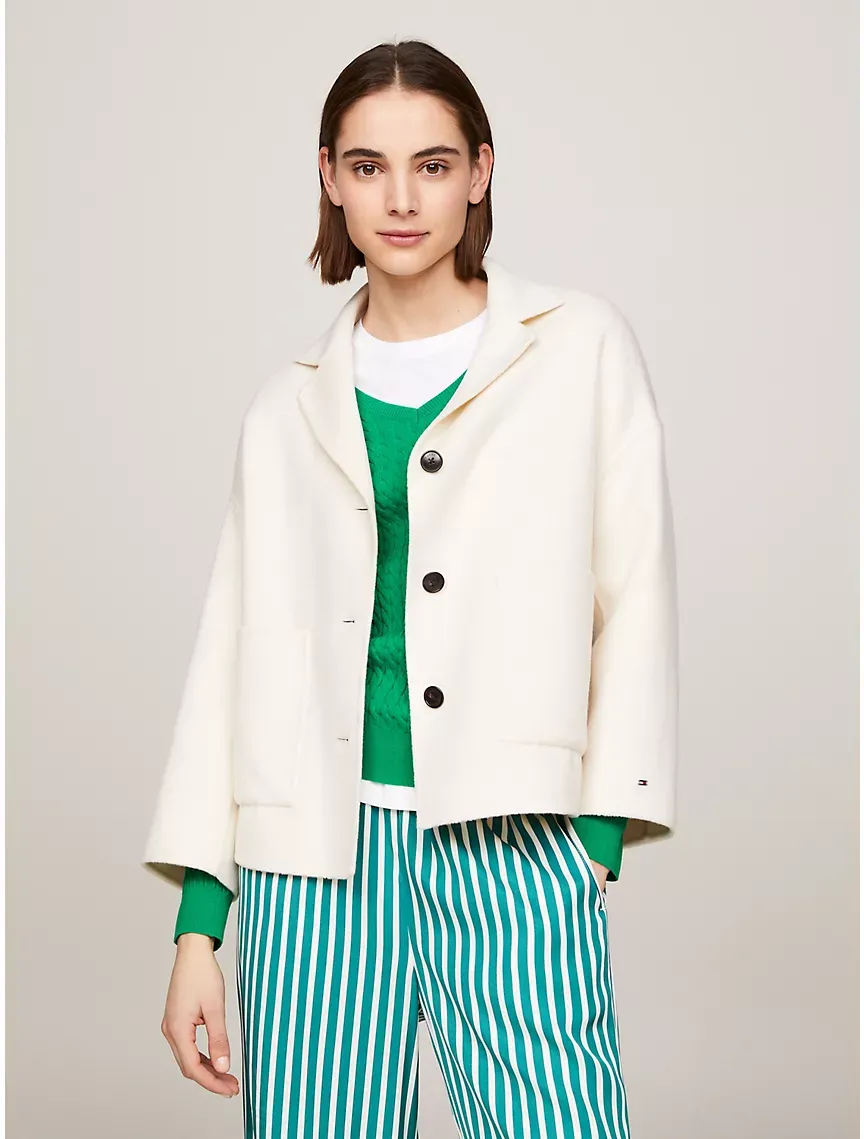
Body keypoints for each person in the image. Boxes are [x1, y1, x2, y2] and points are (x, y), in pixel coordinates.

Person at [142, 37, 679, 1139]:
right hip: (312, 869)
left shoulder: (577, 348)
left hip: (512, 843)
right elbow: (231, 658)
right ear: (329, 178)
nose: (400, 198)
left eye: (432, 165)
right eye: (368, 166)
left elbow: (634, 594)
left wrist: (594, 836)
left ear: (480, 171)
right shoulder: (283, 407)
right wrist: (200, 924)